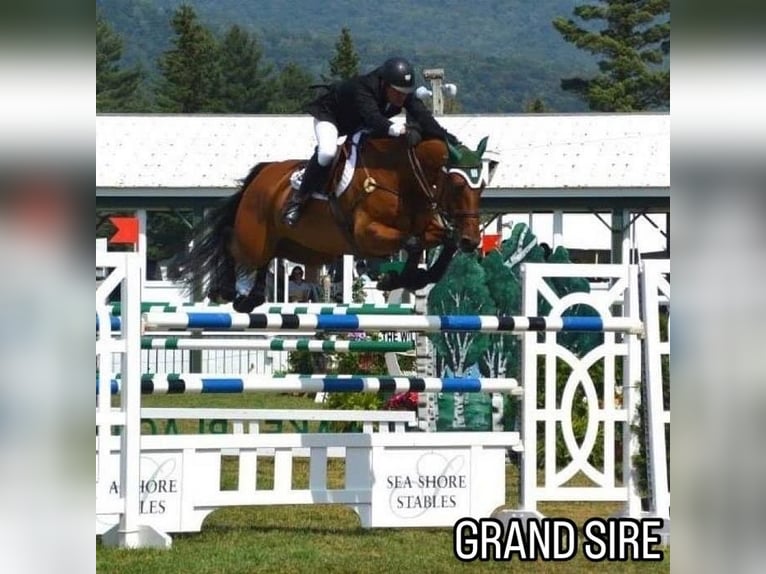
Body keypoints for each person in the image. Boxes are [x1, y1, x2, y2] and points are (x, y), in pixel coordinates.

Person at [282, 56, 462, 227]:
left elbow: (424, 118)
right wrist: (400, 130)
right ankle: (298, 200)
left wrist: (449, 140)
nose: (402, 98)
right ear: (385, 84)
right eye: (398, 93)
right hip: (331, 117)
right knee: (327, 152)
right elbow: (373, 118)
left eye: (406, 93)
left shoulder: (401, 91)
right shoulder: (363, 88)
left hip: (359, 125)